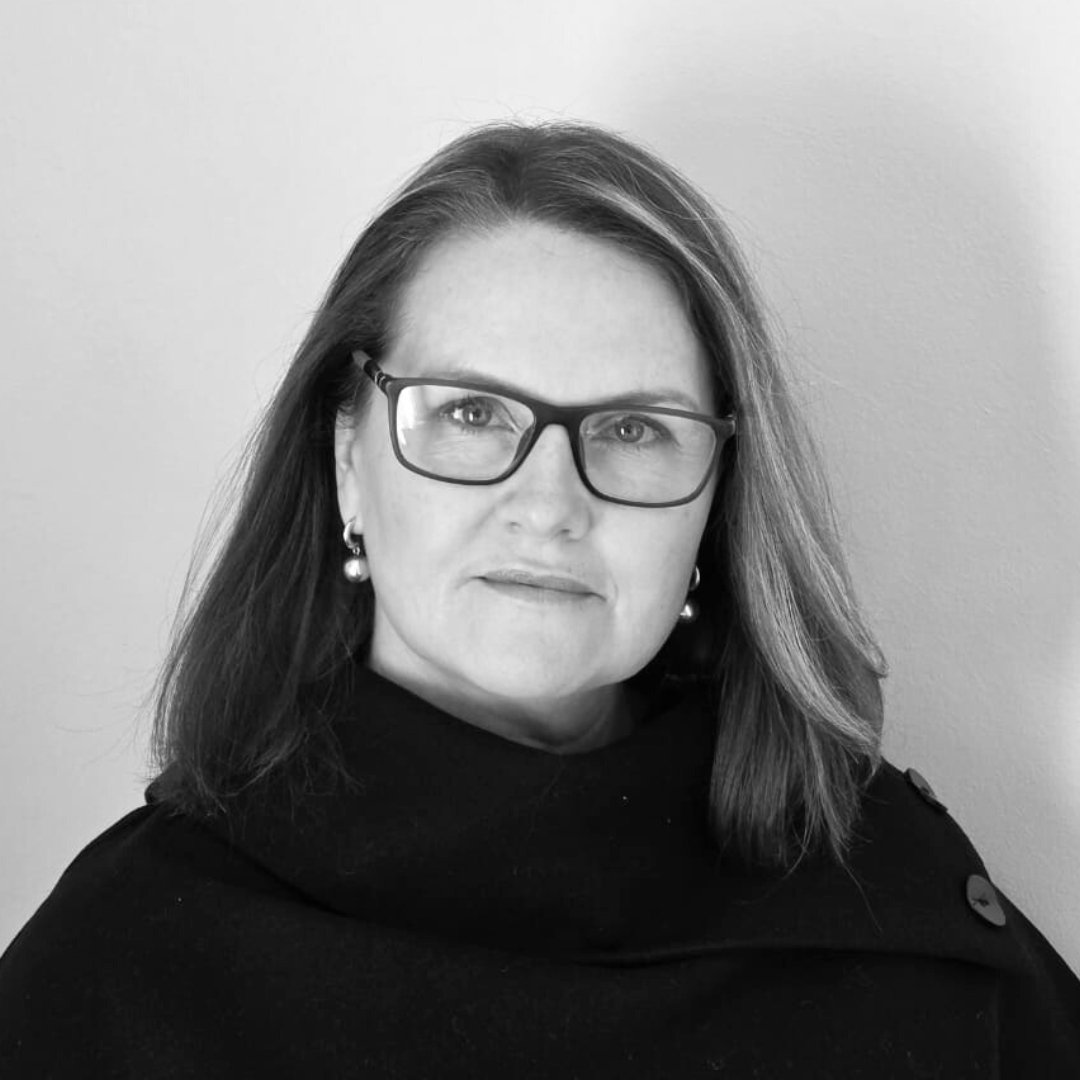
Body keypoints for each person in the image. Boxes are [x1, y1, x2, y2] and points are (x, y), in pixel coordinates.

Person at [1, 120, 1077, 1077]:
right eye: (471, 414)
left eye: (633, 429)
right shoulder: (123, 964)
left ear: (720, 501)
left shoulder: (887, 897)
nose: (550, 504)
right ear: (346, 463)